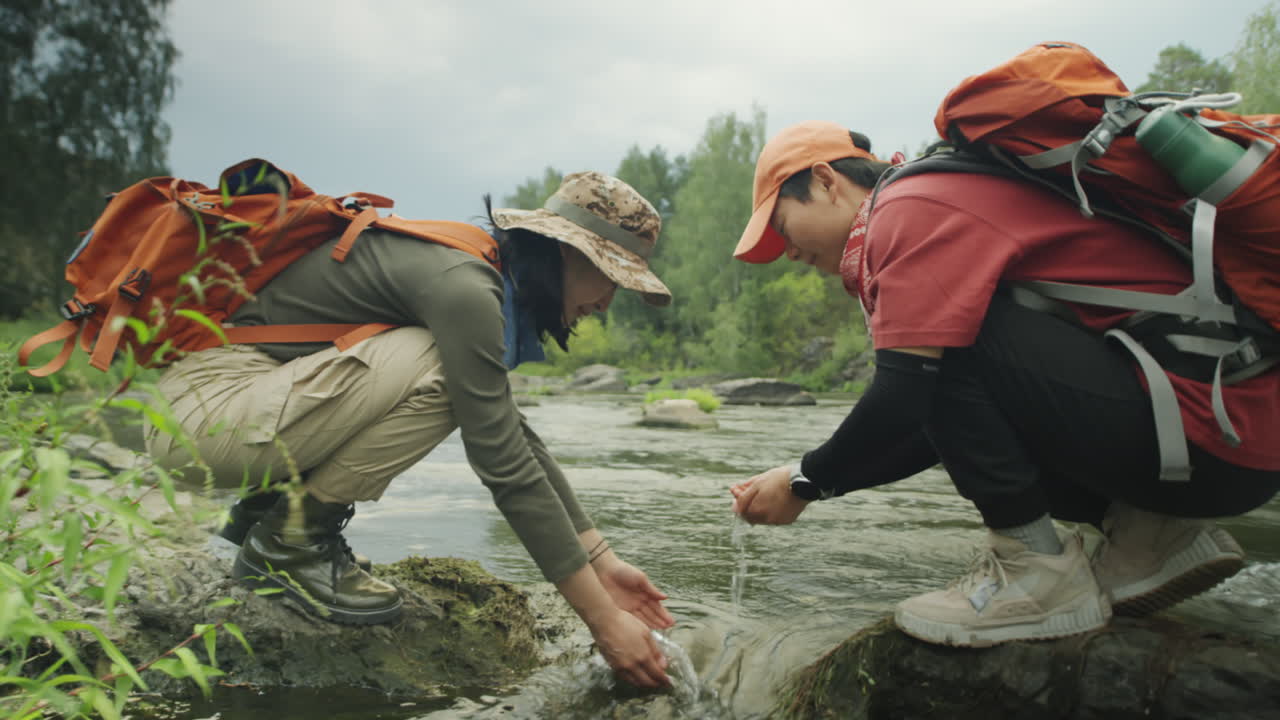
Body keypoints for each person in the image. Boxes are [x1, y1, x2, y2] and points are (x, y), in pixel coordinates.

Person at [728, 120, 1280, 647]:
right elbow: (941, 425)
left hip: (1207, 431)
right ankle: (1149, 537)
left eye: (783, 228)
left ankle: (1034, 573)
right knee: (944, 351)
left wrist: (807, 481)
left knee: (946, 344)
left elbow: (907, 396)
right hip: (1230, 434)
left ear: (825, 181)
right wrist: (810, 482)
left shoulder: (908, 211)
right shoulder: (938, 193)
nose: (791, 255)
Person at [145, 171, 676, 688]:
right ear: (565, 250)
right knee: (438, 370)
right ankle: (291, 543)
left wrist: (602, 562)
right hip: (207, 415)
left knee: (449, 378)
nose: (606, 302)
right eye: (611, 277)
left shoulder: (471, 270)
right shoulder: (466, 285)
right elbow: (502, 461)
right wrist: (602, 622)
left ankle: (267, 515)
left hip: (219, 410)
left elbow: (509, 429)